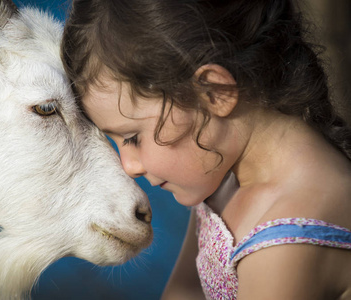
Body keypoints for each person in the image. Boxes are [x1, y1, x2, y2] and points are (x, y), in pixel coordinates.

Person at [61, 0, 351, 299]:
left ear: (214, 92)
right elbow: (184, 292)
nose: (129, 166)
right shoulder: (222, 176)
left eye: (132, 137)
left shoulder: (290, 240)